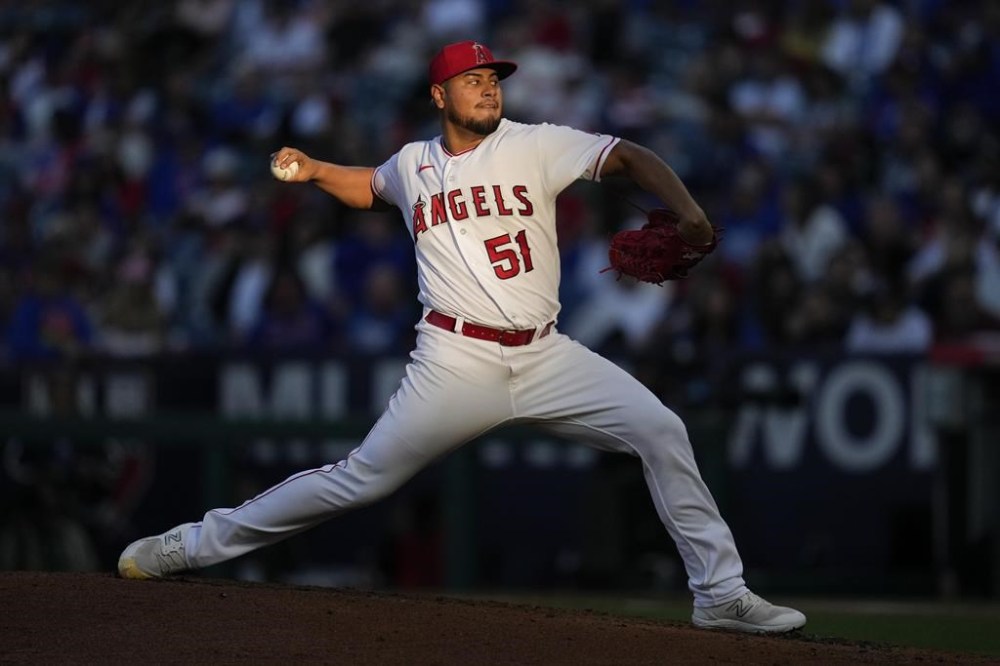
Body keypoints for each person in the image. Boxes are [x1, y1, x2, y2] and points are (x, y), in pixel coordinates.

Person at [118, 40, 806, 634]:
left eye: (493, 77)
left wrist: (686, 212)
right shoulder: (414, 163)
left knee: (661, 430)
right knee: (359, 480)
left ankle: (720, 595)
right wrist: (320, 171)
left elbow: (629, 155)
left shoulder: (535, 143)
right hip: (454, 360)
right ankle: (195, 544)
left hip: (545, 353)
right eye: (473, 79)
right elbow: (373, 187)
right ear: (439, 94)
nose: (487, 86)